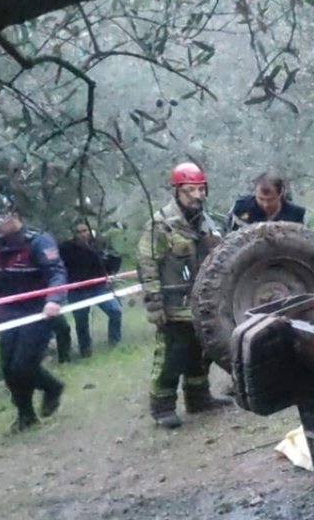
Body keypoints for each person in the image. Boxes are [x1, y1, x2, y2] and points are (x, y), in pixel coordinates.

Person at [136, 162, 230, 429]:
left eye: (201, 190)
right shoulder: (161, 224)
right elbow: (147, 265)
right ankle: (162, 406)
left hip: (204, 303)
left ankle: (199, 398)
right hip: (173, 304)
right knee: (171, 356)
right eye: (190, 190)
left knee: (202, 353)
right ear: (177, 191)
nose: (197, 196)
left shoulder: (208, 223)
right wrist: (155, 305)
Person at [0, 206, 68, 433]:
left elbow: (56, 272)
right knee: (8, 369)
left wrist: (54, 299)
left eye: (1, 220)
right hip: (7, 315)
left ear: (15, 216)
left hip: (39, 312)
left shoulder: (39, 241)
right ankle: (26, 415)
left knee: (23, 365)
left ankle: (52, 387)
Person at [59, 220, 123, 358]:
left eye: (85, 231)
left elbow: (110, 262)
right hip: (77, 289)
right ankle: (85, 350)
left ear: (90, 231)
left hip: (98, 287)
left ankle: (115, 342)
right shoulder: (65, 248)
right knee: (81, 321)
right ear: (73, 234)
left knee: (115, 310)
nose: (82, 234)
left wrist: (110, 274)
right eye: (79, 232)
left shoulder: (98, 244)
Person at [227, 173, 306, 232]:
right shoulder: (241, 207)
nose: (266, 205)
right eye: (261, 199)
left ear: (280, 194)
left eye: (271, 199)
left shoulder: (295, 214)